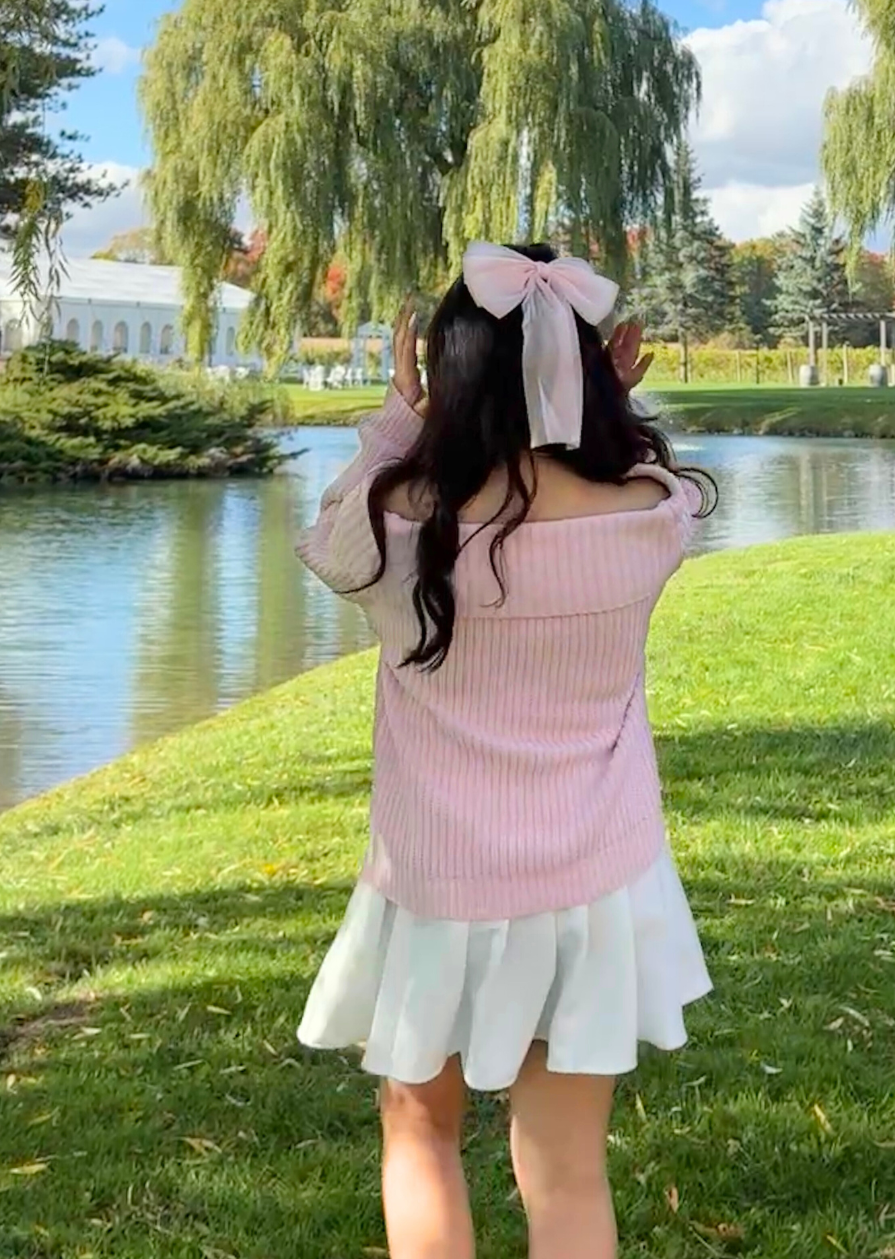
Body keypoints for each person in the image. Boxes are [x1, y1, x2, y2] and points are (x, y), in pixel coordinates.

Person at [294, 242, 714, 1259]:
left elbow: (332, 543)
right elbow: (648, 465)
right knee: (566, 1169)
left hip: (438, 885)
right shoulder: (654, 518)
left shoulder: (404, 531)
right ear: (592, 364)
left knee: (422, 1132)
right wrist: (603, 402)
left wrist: (404, 418)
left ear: (450, 373)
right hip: (593, 883)